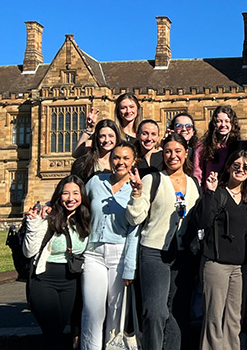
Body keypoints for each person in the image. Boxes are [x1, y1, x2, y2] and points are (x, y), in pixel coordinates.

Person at [126, 134, 200, 350]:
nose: (172, 156)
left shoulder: (194, 183)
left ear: (186, 153)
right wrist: (137, 194)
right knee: (155, 312)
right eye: (168, 151)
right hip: (154, 252)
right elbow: (135, 218)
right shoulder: (153, 179)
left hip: (183, 255)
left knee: (178, 313)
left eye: (178, 151)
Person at [81, 142, 140, 350]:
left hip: (120, 253)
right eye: (116, 157)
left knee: (117, 311)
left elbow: (135, 229)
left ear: (134, 161)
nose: (120, 162)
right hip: (93, 253)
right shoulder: (96, 182)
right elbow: (80, 210)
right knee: (92, 310)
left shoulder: (137, 188)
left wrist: (130, 267)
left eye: (126, 158)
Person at [23, 175, 91, 350]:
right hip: (44, 280)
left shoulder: (85, 219)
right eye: (66, 193)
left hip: (71, 282)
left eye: (76, 193)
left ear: (82, 195)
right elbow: (28, 251)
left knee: (57, 331)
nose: (71, 198)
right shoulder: (48, 216)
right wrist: (33, 224)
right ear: (59, 195)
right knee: (53, 332)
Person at [197, 150, 247, 350]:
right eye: (236, 165)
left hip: (240, 266)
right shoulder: (219, 193)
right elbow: (203, 220)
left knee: (234, 318)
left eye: (245, 167)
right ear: (229, 167)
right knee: (214, 317)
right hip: (216, 264)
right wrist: (210, 192)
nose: (240, 170)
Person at [193, 105, 240, 187]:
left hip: (230, 190)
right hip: (210, 189)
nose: (223, 125)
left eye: (227, 121)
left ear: (232, 123)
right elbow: (198, 172)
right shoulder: (202, 146)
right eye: (219, 121)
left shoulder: (237, 146)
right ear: (214, 123)